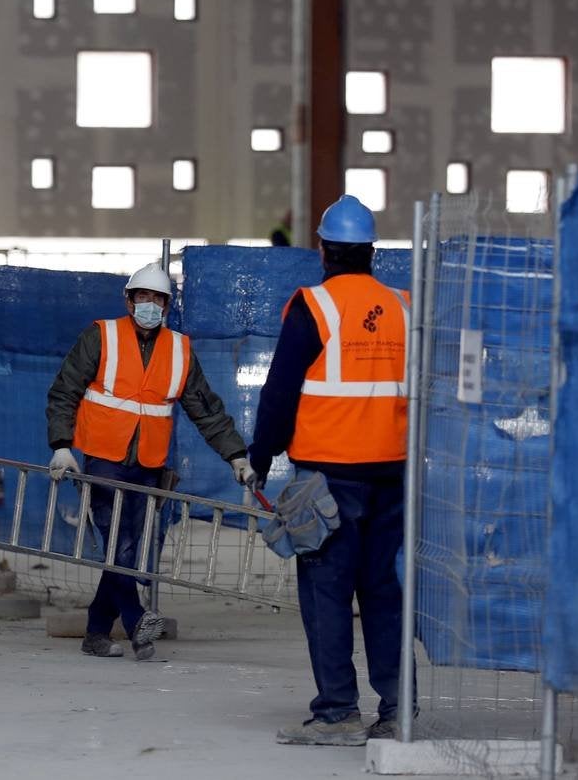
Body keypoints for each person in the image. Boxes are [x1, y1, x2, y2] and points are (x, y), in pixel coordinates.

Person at [248, 195, 411, 745]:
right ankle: (397, 711)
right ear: (371, 252)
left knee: (327, 593)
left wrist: (260, 456)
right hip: (393, 474)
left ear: (324, 251)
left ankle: (338, 713)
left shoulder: (313, 307)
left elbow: (280, 391)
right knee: (386, 593)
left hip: (327, 479)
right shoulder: (403, 307)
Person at [47, 262, 256, 661]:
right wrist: (61, 446)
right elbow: (64, 392)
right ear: (129, 300)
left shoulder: (179, 349)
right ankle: (138, 621)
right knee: (119, 543)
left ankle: (95, 632)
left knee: (129, 550)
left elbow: (206, 409)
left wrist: (236, 455)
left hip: (148, 463)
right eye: (142, 297)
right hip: (103, 459)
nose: (149, 305)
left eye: (157, 299)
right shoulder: (101, 336)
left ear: (167, 306)